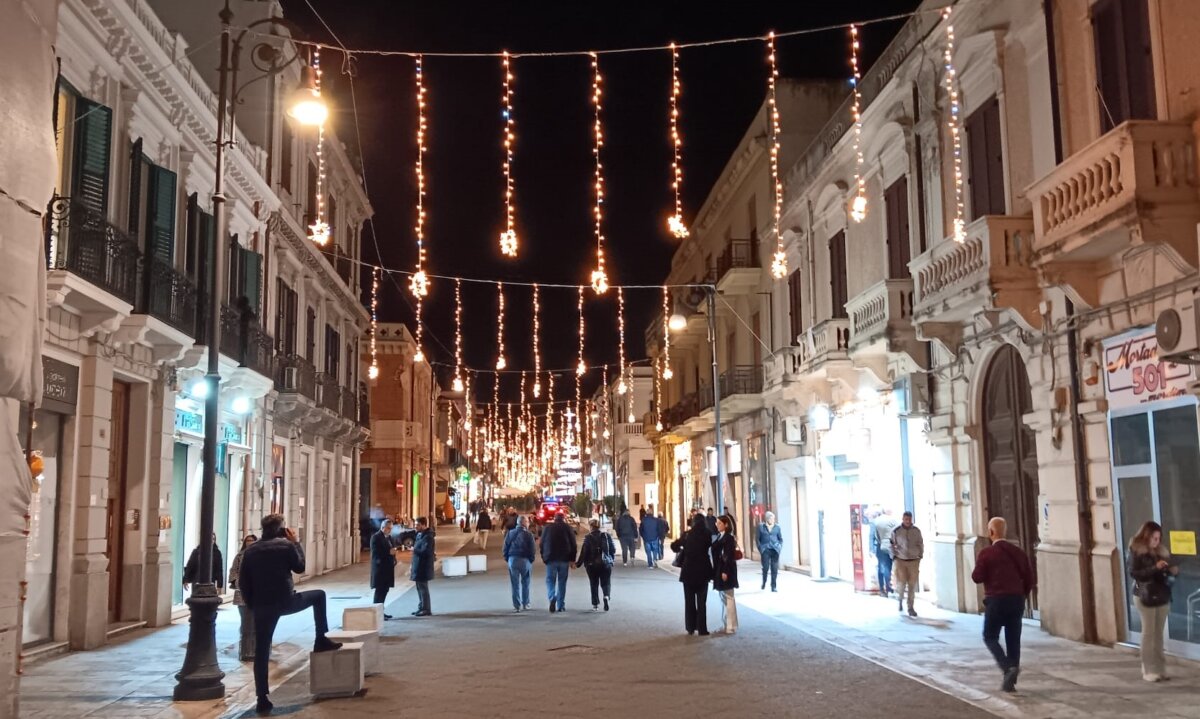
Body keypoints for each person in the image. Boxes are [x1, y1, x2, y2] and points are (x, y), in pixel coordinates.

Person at [239, 514, 341, 715]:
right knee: (319, 596)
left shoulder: (251, 551)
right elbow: (300, 567)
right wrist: (296, 542)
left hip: (262, 606)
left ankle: (262, 698)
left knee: (261, 651)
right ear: (281, 530)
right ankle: (320, 638)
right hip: (286, 601)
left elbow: (244, 582)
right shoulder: (285, 546)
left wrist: (253, 604)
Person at [971, 517, 1035, 693]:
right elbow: (1029, 578)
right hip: (1016, 600)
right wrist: (1022, 595)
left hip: (996, 600)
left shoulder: (986, 554)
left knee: (990, 636)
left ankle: (1007, 667)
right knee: (1013, 639)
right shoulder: (1019, 552)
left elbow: (977, 577)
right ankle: (1011, 681)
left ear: (991, 532)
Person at [1128, 520, 1179, 682]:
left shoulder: (1161, 551)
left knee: (1158, 634)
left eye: (1159, 538)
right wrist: (1155, 568)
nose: (1157, 542)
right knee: (1148, 632)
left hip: (1161, 594)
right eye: (1154, 538)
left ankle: (1160, 669)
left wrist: (1171, 571)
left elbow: (1165, 574)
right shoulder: (1136, 551)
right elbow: (1135, 573)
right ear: (1146, 536)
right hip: (1145, 595)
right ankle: (1148, 669)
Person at [670, 514, 715, 636]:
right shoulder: (707, 534)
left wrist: (683, 549)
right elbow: (711, 548)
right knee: (702, 602)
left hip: (688, 570)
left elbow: (674, 546)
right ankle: (702, 629)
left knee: (689, 601)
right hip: (703, 571)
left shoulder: (687, 534)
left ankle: (690, 627)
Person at [539, 511, 577, 612]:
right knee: (562, 582)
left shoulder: (547, 528)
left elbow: (541, 543)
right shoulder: (568, 528)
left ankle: (552, 597)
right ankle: (560, 605)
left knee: (550, 580)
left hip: (551, 559)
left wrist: (543, 556)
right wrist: (572, 559)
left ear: (554, 518)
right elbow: (573, 544)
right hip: (564, 559)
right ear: (563, 518)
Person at [575, 518, 616, 611]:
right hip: (605, 563)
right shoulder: (606, 535)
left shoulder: (588, 537)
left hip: (591, 565)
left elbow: (584, 553)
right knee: (606, 582)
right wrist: (611, 560)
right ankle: (606, 596)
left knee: (594, 584)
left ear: (591, 527)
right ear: (599, 526)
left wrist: (578, 564)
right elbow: (613, 549)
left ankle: (595, 604)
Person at [229, 534, 258, 661]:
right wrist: (236, 581)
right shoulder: (240, 556)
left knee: (255, 622)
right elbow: (233, 570)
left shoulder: (260, 556)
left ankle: (254, 649)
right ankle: (246, 651)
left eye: (252, 541)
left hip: (256, 593)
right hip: (242, 593)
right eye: (248, 541)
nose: (250, 543)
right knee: (245, 622)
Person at [891, 511, 924, 617]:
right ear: (903, 519)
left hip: (914, 560)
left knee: (912, 585)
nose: (908, 521)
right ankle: (900, 600)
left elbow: (920, 543)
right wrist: (894, 556)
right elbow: (891, 544)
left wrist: (920, 555)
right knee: (901, 583)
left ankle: (910, 607)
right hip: (901, 560)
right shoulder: (896, 531)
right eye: (906, 519)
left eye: (909, 519)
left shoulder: (916, 531)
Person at [712, 514, 740, 635]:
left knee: (728, 598)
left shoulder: (728, 538)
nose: (717, 525)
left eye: (719, 523)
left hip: (726, 571)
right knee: (724, 598)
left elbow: (727, 555)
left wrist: (725, 571)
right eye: (716, 523)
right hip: (720, 570)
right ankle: (727, 624)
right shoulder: (720, 536)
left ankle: (730, 626)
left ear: (726, 525)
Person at [504, 515, 536, 611]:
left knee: (515, 584)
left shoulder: (510, 533)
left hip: (512, 560)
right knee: (526, 582)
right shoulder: (529, 535)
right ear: (524, 523)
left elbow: (505, 548)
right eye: (527, 522)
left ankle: (516, 606)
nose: (528, 523)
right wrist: (531, 559)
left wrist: (508, 558)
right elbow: (532, 549)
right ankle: (526, 603)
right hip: (525, 560)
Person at [370, 519, 397, 619]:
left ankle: (381, 611)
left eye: (391, 528)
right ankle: (376, 614)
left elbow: (391, 549)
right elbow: (376, 553)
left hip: (388, 569)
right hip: (380, 569)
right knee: (379, 592)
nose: (390, 530)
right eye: (388, 528)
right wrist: (389, 553)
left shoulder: (389, 537)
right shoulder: (376, 537)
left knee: (385, 591)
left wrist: (394, 558)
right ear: (383, 527)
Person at [870, 508, 899, 599]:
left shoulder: (876, 522)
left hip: (881, 546)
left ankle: (884, 589)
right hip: (892, 546)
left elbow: (873, 536)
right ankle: (889, 588)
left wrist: (872, 549)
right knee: (888, 567)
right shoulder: (894, 521)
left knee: (882, 567)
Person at [410, 517, 435, 616]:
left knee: (423, 588)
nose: (416, 527)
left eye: (418, 525)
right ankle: (421, 607)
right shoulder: (420, 535)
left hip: (423, 566)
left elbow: (426, 551)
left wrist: (414, 550)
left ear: (424, 525)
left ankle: (426, 608)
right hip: (418, 565)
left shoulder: (428, 537)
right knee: (419, 587)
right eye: (415, 525)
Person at [757, 512, 783, 592]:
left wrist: (779, 547)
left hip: (775, 550)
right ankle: (764, 582)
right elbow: (757, 539)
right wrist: (761, 549)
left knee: (774, 569)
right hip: (765, 550)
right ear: (767, 519)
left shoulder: (777, 527)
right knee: (765, 567)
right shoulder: (761, 527)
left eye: (773, 518)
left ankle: (773, 586)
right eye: (770, 518)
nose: (772, 520)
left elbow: (780, 539)